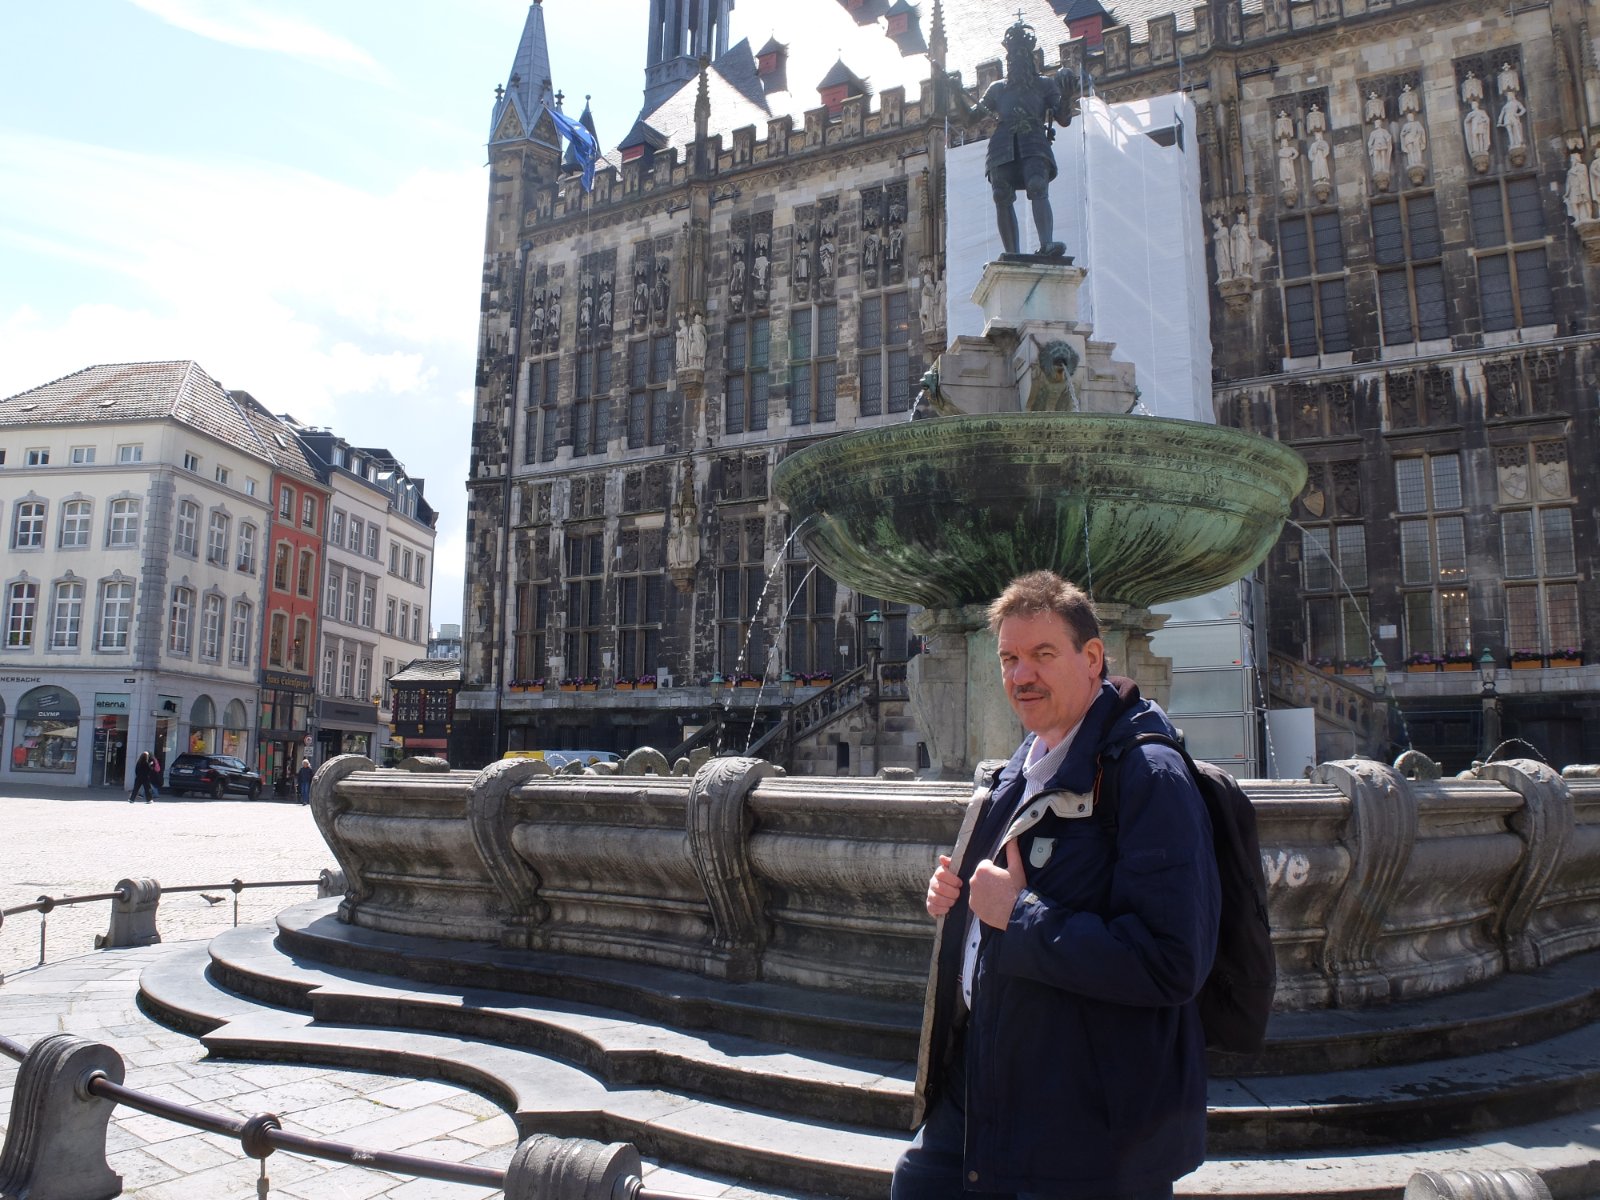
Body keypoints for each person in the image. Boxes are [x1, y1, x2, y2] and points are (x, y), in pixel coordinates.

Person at [895, 570, 1220, 1200]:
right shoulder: (1021, 767)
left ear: (1092, 658)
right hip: (989, 1082)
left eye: (1043, 654)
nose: (1021, 675)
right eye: (1009, 658)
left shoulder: (1150, 776)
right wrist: (958, 901)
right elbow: (999, 892)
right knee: (917, 1184)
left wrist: (1016, 915)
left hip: (1089, 1119)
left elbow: (1172, 961)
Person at [948, 19, 1080, 258]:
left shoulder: (1044, 84)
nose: (1016, 59)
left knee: (1037, 186)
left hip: (1034, 142)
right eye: (1013, 56)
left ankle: (1047, 244)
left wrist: (1067, 95)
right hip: (1002, 146)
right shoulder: (997, 88)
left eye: (1021, 54)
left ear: (1030, 57)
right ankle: (1012, 254)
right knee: (1001, 195)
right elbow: (970, 119)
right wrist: (957, 94)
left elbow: (1063, 118)